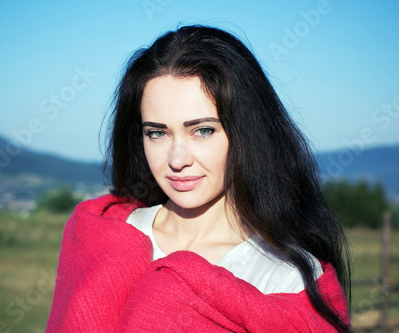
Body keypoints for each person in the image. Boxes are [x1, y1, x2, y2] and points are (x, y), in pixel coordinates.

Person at [46, 25, 351, 332]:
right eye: (157, 133)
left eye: (202, 130)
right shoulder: (98, 236)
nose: (177, 159)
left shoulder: (285, 276)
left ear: (248, 133)